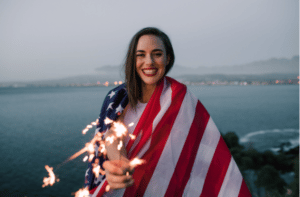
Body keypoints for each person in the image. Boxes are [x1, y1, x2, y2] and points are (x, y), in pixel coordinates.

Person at [85, 27, 251, 197]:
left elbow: (204, 151)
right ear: (132, 60)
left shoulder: (181, 98)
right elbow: (111, 135)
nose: (149, 61)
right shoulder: (117, 99)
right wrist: (119, 164)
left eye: (157, 54)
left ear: (168, 58)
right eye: (140, 55)